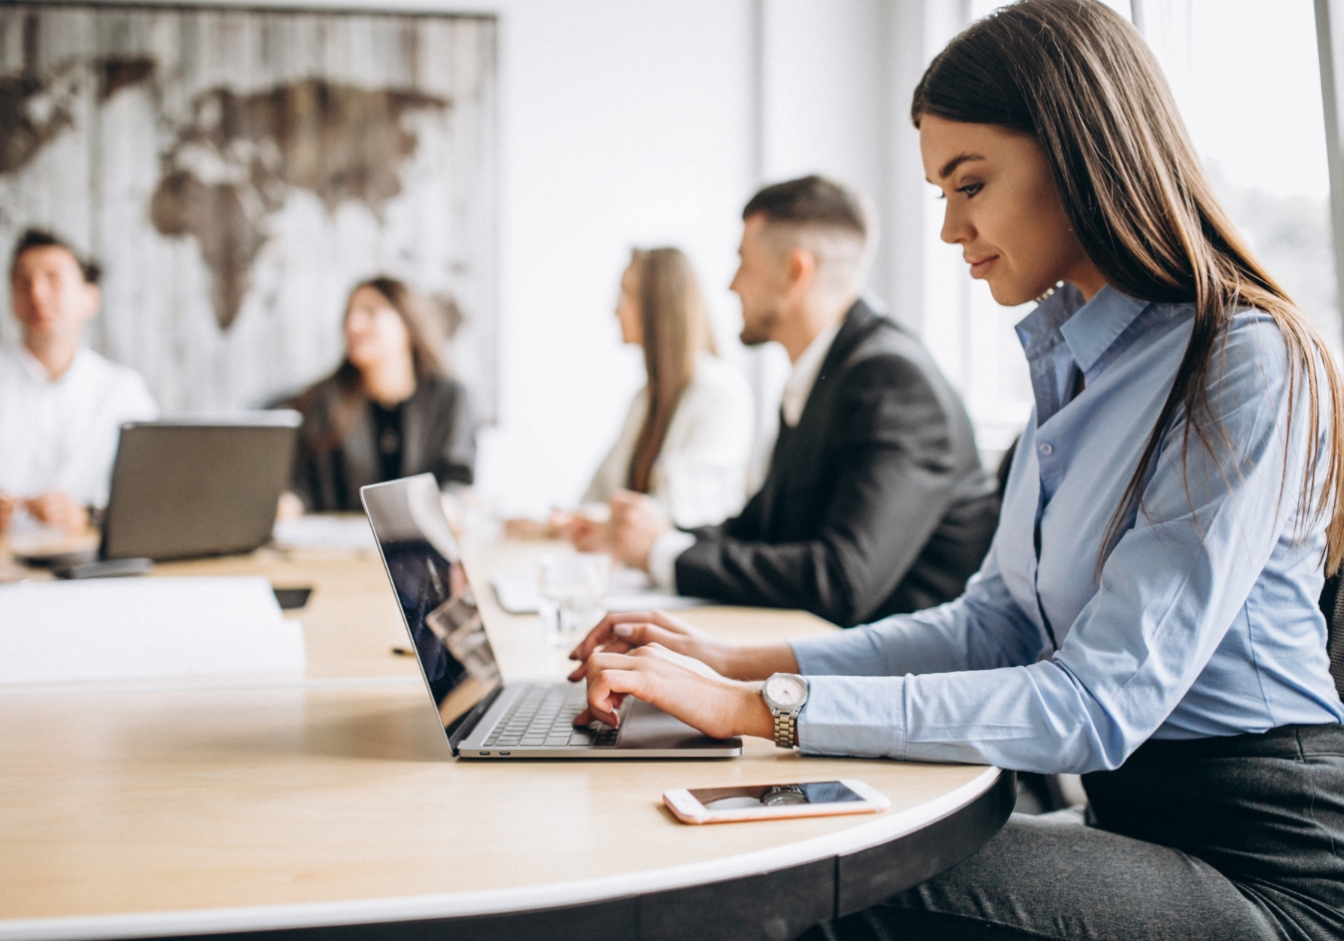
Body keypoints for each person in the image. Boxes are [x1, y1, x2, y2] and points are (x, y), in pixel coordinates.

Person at [566, 2, 1344, 938]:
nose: (948, 228)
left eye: (969, 183)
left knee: (798, 879)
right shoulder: (1077, 364)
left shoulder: (1238, 359)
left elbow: (1094, 702)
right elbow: (995, 623)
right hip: (1131, 819)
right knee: (775, 839)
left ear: (1080, 153)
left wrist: (753, 706)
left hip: (1260, 864)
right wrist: (725, 660)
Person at [603, 176, 998, 627]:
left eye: (743, 263)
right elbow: (759, 530)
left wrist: (662, 553)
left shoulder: (892, 382)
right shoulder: (826, 372)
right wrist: (656, 534)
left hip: (905, 677)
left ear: (796, 273)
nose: (732, 285)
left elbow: (843, 580)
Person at [556, 247, 753, 540]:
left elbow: (681, 512)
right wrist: (558, 521)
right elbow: (598, 494)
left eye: (627, 294)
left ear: (659, 305)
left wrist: (587, 519)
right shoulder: (645, 399)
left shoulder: (720, 392)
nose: (615, 309)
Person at [0, 229, 158, 534]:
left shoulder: (124, 394)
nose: (37, 293)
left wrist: (88, 516)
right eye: (23, 283)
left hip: (91, 566)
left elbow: (156, 494)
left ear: (89, 298)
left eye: (53, 279)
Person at [286, 277, 474, 512]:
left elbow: (457, 478)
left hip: (417, 541)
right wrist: (291, 502)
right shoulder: (322, 400)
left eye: (370, 311)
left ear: (407, 322)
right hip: (335, 544)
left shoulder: (448, 397)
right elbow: (303, 483)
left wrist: (449, 504)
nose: (353, 324)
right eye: (348, 314)